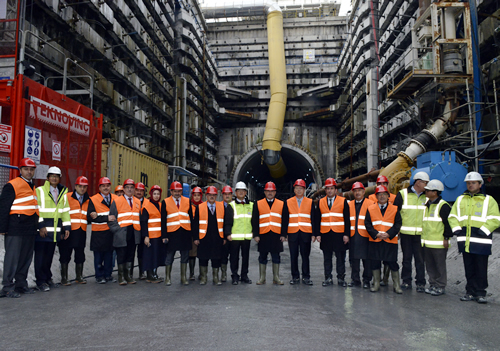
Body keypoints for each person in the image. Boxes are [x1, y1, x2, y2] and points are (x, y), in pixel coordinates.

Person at [449, 172, 500, 304]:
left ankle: (481, 293)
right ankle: (470, 292)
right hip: (465, 241)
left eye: (473, 183)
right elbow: (452, 217)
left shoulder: (489, 200)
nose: (470, 185)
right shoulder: (460, 199)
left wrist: (484, 230)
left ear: (480, 184)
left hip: (481, 241)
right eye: (468, 183)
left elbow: (495, 219)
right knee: (469, 268)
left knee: (481, 268)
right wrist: (457, 230)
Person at [0, 158, 39, 298]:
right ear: (20, 170)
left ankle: (21, 284)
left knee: (25, 259)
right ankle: (7, 287)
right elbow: (4, 208)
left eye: (31, 169)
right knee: (12, 258)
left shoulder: (31, 186)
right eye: (26, 169)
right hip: (15, 228)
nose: (29, 171)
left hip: (29, 228)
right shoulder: (12, 185)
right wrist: (2, 227)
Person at [35, 166, 71, 292]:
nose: (54, 178)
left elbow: (65, 211)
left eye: (56, 176)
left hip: (55, 230)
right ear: (47, 178)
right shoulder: (39, 191)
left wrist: (66, 227)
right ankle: (40, 281)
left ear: (59, 178)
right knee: (40, 256)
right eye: (52, 176)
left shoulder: (63, 192)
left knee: (49, 256)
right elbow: (36, 209)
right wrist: (40, 226)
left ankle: (47, 278)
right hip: (43, 230)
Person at [394, 171, 429, 292]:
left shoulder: (427, 196)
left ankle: (420, 283)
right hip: (405, 234)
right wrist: (396, 230)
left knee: (420, 260)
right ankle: (406, 281)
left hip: (421, 234)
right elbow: (395, 213)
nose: (427, 185)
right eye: (425, 183)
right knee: (406, 259)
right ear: (418, 182)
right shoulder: (403, 194)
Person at [365, 185, 402, 294]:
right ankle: (376, 284)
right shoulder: (371, 208)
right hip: (375, 241)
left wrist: (389, 234)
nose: (382, 196)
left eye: (384, 194)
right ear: (376, 196)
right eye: (379, 194)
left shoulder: (394, 209)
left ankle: (396, 285)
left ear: (388, 196)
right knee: (375, 262)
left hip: (390, 241)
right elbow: (367, 224)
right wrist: (376, 234)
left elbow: (398, 223)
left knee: (392, 263)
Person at [315, 178, 350, 287]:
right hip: (326, 234)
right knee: (327, 258)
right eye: (327, 189)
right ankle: (328, 278)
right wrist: (318, 234)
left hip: (339, 234)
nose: (329, 190)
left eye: (331, 188)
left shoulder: (343, 201)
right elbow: (317, 219)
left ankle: (340, 278)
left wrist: (346, 234)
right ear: (325, 190)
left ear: (335, 190)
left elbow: (347, 219)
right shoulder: (321, 202)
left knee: (340, 258)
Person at [421, 179, 452, 296]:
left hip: (439, 243)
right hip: (427, 242)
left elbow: (448, 224)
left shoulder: (443, 206)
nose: (426, 192)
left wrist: (446, 238)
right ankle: (433, 284)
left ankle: (440, 286)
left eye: (428, 190)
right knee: (430, 266)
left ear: (435, 192)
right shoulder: (427, 205)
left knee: (440, 266)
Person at [251, 181, 286, 285]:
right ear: (264, 192)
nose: (270, 193)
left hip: (276, 235)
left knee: (276, 256)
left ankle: (276, 277)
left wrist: (283, 234)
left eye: (272, 191)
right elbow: (255, 220)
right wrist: (256, 235)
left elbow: (284, 220)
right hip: (263, 235)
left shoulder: (281, 204)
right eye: (268, 191)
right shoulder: (258, 203)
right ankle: (262, 278)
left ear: (275, 192)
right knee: (262, 256)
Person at [108, 178, 141, 285]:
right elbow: (111, 218)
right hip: (121, 233)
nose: (130, 190)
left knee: (130, 255)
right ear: (124, 189)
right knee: (121, 255)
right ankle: (121, 277)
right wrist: (116, 230)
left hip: (133, 232)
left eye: (132, 188)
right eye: (127, 188)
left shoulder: (137, 201)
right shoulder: (117, 201)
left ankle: (128, 276)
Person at [161, 181, 194, 286]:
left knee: (185, 256)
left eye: (179, 191)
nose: (177, 193)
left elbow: (190, 218)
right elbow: (163, 220)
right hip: (172, 233)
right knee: (170, 255)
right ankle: (167, 278)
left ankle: (183, 277)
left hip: (185, 232)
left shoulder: (187, 201)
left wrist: (192, 233)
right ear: (171, 191)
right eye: (175, 191)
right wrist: (164, 235)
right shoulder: (165, 202)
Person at [60, 176, 90, 286]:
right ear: (75, 186)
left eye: (84, 187)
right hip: (68, 230)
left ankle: (79, 276)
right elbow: (61, 213)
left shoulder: (88, 199)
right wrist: (63, 229)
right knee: (65, 254)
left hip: (81, 231)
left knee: (80, 254)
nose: (82, 189)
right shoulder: (66, 197)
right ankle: (64, 278)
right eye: (80, 186)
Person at [193, 186, 226, 285]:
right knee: (203, 258)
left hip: (217, 237)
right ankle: (204, 277)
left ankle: (216, 278)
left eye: (214, 195)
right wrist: (196, 238)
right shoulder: (200, 207)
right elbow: (195, 224)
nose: (212, 197)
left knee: (216, 258)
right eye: (210, 195)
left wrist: (224, 237)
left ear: (217, 196)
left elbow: (224, 223)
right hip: (204, 238)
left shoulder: (221, 206)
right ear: (206, 196)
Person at [285, 179, 315, 285]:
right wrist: (284, 234)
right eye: (297, 188)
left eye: (301, 188)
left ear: (304, 190)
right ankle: (295, 277)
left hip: (305, 233)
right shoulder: (288, 202)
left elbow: (313, 218)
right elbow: (285, 219)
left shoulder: (310, 202)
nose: (299, 190)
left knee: (305, 256)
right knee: (293, 256)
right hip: (292, 233)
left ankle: (306, 277)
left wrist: (314, 234)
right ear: (294, 190)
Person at [224, 181, 254, 285]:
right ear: (235, 193)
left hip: (246, 237)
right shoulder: (231, 206)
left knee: (245, 257)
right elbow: (227, 222)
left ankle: (244, 276)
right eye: (239, 191)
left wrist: (255, 232)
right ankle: (235, 276)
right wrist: (228, 234)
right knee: (234, 257)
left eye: (243, 191)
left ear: (246, 192)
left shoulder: (251, 205)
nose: (241, 192)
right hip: (235, 237)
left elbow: (254, 221)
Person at [88, 177, 116, 284]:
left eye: (107, 185)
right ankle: (99, 276)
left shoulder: (115, 198)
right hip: (98, 233)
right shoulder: (93, 199)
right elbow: (90, 217)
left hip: (111, 232)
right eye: (103, 186)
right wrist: (106, 218)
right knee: (98, 257)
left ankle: (108, 275)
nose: (106, 188)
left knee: (109, 255)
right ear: (99, 187)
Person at [347, 182, 374, 289]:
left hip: (366, 236)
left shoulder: (371, 204)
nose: (357, 193)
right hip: (353, 236)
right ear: (353, 192)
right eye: (355, 191)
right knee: (354, 259)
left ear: (364, 192)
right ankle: (355, 280)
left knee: (367, 259)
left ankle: (367, 279)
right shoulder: (349, 205)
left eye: (359, 190)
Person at [140, 185, 165, 283]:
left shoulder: (160, 205)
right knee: (150, 256)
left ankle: (154, 274)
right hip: (150, 236)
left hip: (158, 236)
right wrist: (146, 236)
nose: (156, 196)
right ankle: (150, 276)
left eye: (158, 194)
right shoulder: (146, 207)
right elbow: (144, 223)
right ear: (151, 194)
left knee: (156, 256)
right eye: (154, 194)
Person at [132, 182, 146, 280]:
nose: (139, 192)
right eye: (137, 190)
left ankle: (142, 272)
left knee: (142, 253)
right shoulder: (130, 201)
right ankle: (129, 274)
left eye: (141, 190)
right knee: (131, 253)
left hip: (143, 231)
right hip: (132, 231)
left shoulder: (147, 202)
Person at [189, 186, 203, 281]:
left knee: (202, 254)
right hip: (191, 234)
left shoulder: (204, 206)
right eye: (195, 195)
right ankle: (191, 273)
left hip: (202, 233)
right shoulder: (189, 206)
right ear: (192, 196)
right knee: (192, 254)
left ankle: (202, 274)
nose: (197, 197)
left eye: (198, 195)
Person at [220, 185, 233, 282]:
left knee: (234, 256)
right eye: (225, 194)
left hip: (234, 235)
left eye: (229, 194)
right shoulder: (218, 206)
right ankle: (223, 274)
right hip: (223, 236)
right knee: (223, 255)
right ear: (222, 195)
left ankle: (234, 274)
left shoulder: (235, 206)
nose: (227, 196)